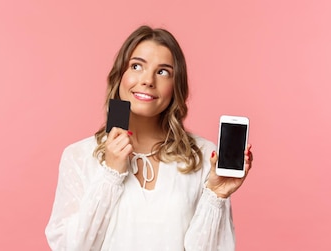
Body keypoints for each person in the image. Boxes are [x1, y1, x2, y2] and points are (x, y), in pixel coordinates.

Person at [44, 25, 254, 251]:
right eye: (136, 66)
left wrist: (217, 194)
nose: (148, 80)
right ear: (120, 76)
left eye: (163, 71)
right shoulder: (79, 156)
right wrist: (110, 173)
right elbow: (69, 247)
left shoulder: (202, 156)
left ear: (176, 86)